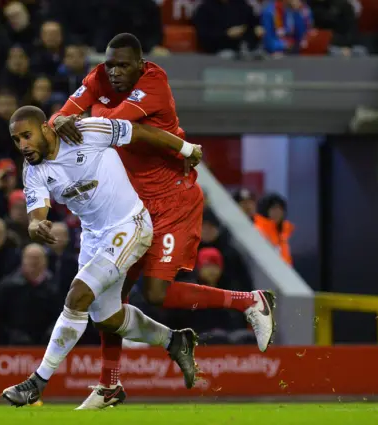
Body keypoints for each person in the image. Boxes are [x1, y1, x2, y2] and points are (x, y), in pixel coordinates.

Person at [50, 33, 276, 408]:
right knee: (109, 301)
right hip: (132, 204)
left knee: (156, 292)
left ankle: (250, 302)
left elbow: (114, 128)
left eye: (124, 65)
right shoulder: (98, 78)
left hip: (172, 199)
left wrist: (75, 121)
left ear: (140, 64)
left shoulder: (154, 83)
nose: (116, 72)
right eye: (111, 65)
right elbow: (62, 116)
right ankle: (109, 384)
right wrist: (61, 121)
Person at [1, 106, 203, 407]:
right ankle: (175, 341)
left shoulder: (86, 132)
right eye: (16, 140)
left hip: (129, 225)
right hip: (94, 237)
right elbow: (37, 211)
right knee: (107, 319)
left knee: (77, 296)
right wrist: (35, 224)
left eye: (26, 136)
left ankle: (37, 383)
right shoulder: (33, 169)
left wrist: (185, 148)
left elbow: (141, 132)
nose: (23, 146)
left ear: (45, 128)